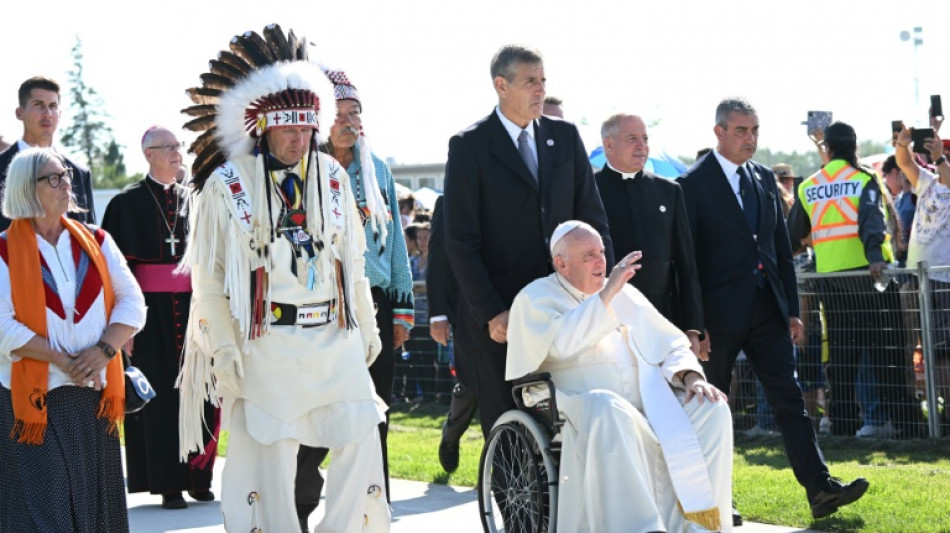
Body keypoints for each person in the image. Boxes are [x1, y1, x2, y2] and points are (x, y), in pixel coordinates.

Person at [176, 26, 389, 533]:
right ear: (263, 128)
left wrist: (367, 322)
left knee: (361, 435)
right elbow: (209, 280)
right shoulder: (228, 187)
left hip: (332, 336)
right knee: (268, 459)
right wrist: (223, 347)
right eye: (288, 129)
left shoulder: (333, 178)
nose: (299, 140)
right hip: (266, 340)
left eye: (306, 129)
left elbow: (351, 264)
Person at [679, 98, 868, 519]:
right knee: (712, 409)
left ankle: (820, 490)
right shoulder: (691, 185)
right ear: (719, 133)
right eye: (741, 131)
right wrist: (694, 324)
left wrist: (792, 309)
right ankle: (713, 501)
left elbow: (780, 248)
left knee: (790, 399)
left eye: (755, 131)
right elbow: (686, 262)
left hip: (767, 310)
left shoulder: (764, 178)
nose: (750, 139)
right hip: (716, 317)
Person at [507, 221, 732, 533]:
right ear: (562, 263)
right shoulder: (536, 297)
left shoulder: (625, 293)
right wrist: (608, 293)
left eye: (602, 252)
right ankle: (641, 528)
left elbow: (671, 342)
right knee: (607, 407)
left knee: (712, 409)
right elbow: (560, 345)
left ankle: (700, 525)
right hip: (580, 407)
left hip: (648, 405)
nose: (601, 262)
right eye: (589, 256)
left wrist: (692, 376)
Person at [443, 44, 612, 437]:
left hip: (565, 310)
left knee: (566, 428)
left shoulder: (565, 137)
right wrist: (491, 311)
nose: (540, 90)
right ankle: (510, 501)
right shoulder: (469, 146)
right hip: (502, 318)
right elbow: (460, 241)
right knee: (509, 430)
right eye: (530, 81)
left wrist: (599, 291)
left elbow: (593, 219)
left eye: (543, 80)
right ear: (501, 86)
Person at [0, 147, 146, 531]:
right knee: (44, 511)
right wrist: (64, 361)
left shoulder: (97, 240)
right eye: (53, 178)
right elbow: (3, 326)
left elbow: (133, 302)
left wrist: (103, 351)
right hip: (35, 399)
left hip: (93, 397)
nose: (66, 183)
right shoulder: (3, 250)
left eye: (65, 175)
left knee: (97, 509)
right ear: (26, 189)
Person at [293, 66, 412, 531]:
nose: (349, 121)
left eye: (355, 112)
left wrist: (402, 308)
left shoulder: (376, 167)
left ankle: (371, 506)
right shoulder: (301, 168)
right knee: (320, 408)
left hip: (373, 303)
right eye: (339, 113)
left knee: (374, 410)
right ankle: (300, 500)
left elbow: (396, 239)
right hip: (316, 304)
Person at [101, 126, 216, 510]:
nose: (176, 152)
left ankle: (198, 477)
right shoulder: (124, 204)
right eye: (167, 147)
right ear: (148, 153)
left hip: (195, 313)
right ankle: (167, 482)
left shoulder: (196, 201)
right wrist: (122, 326)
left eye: (177, 146)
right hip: (149, 320)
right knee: (161, 399)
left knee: (199, 394)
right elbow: (113, 273)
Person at [788, 121, 925, 440]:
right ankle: (907, 426)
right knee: (888, 355)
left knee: (841, 359)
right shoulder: (864, 177)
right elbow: (871, 219)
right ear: (854, 148)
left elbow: (795, 233)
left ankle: (843, 427)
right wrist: (876, 255)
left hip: (831, 283)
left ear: (830, 148)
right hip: (870, 278)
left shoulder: (808, 185)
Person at [595, 113, 703, 352]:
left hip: (663, 314)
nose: (641, 146)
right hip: (608, 314)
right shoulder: (588, 191)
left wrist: (693, 327)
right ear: (609, 145)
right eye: (632, 138)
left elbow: (687, 263)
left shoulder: (669, 191)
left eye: (644, 138)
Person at [894, 125, 950, 428]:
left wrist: (940, 159)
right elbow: (904, 164)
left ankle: (946, 416)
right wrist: (902, 145)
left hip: (942, 278)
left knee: (941, 352)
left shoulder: (944, 173)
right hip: (915, 276)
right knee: (911, 346)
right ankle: (915, 416)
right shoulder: (928, 182)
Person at [0, 77, 96, 231]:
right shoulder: (1, 167)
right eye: (38, 105)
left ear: (60, 113)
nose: (47, 113)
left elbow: (89, 238)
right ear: (20, 113)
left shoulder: (79, 173)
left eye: (53, 106)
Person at [427, 196, 477, 472]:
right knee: (471, 385)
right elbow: (437, 259)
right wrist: (438, 315)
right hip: (466, 311)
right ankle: (451, 434)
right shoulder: (449, 201)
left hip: (514, 305)